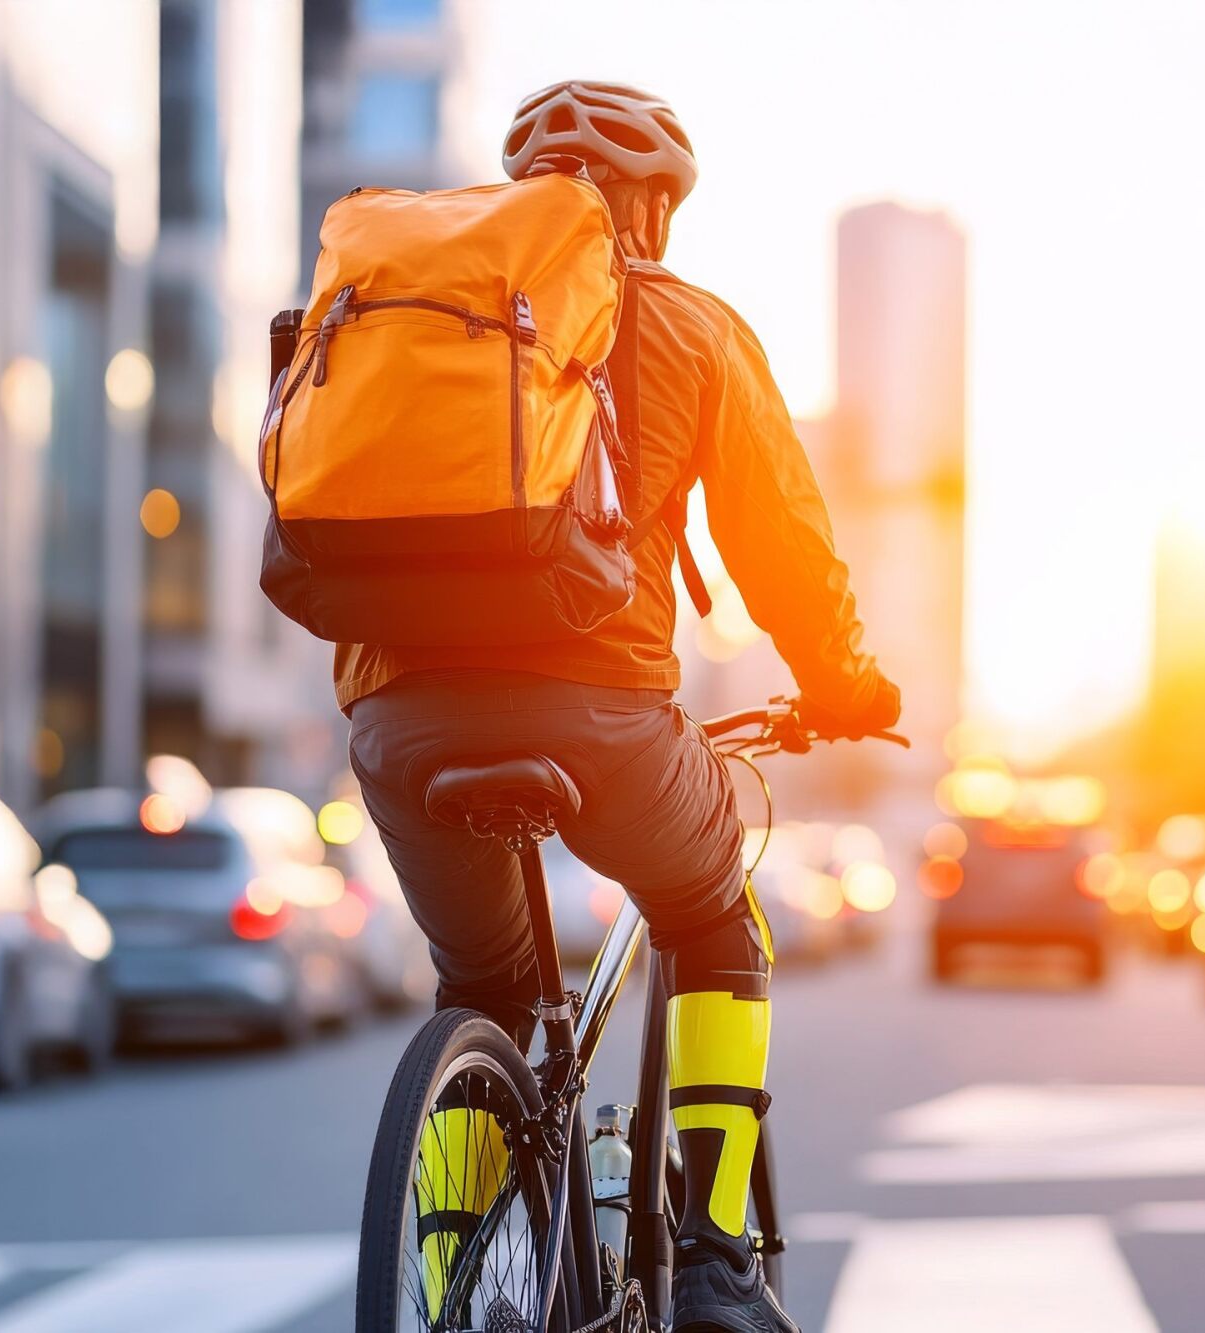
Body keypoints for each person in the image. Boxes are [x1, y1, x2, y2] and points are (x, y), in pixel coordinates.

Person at [339, 81, 899, 1332]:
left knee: (477, 988)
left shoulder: (421, 317)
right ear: (655, 205)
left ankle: (452, 1265)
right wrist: (845, 685)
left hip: (397, 721)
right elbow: (786, 550)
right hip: (599, 716)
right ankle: (709, 1259)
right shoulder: (688, 323)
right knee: (711, 920)